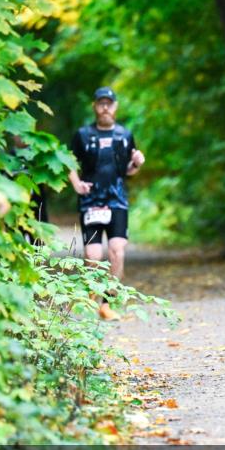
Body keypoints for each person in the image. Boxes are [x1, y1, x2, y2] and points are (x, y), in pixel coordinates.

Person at [68, 86, 145, 321]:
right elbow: (68, 162)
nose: (105, 108)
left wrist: (137, 164)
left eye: (109, 104)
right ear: (94, 106)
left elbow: (127, 171)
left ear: (115, 107)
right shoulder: (82, 135)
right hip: (91, 201)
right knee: (92, 255)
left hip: (117, 200)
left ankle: (107, 303)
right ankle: (90, 298)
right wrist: (76, 183)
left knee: (117, 251)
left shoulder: (124, 135)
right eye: (101, 103)